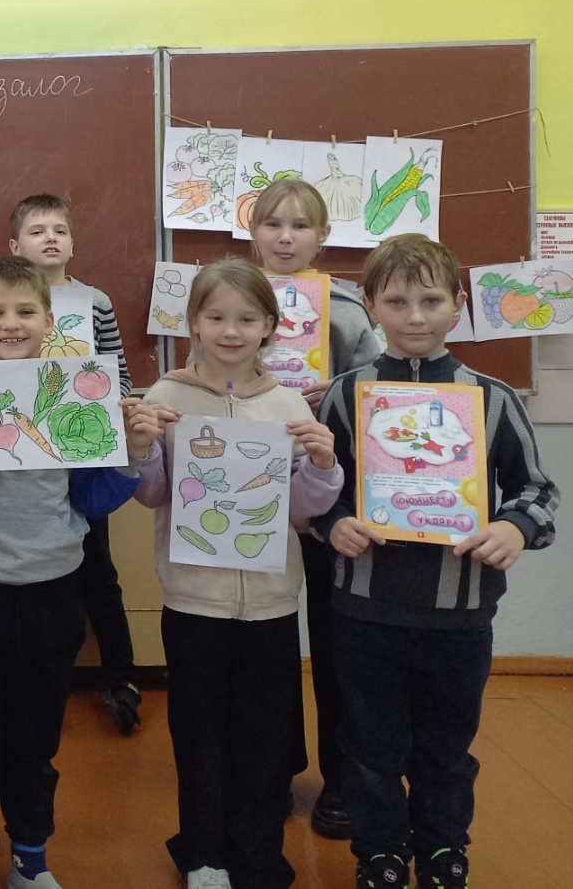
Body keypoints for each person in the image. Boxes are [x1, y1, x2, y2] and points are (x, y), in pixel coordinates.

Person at [312, 234, 558, 889]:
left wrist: (513, 527)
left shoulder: (492, 398)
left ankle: (445, 851)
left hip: (460, 617)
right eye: (396, 302)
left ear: (458, 305)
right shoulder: (343, 396)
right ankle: (380, 855)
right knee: (369, 746)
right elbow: (318, 491)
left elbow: (537, 491)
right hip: (365, 613)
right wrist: (333, 525)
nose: (415, 316)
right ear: (369, 306)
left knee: (447, 749)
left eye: (430, 301)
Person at [126, 259, 342, 889]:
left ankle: (256, 854)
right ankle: (202, 855)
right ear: (192, 321)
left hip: (271, 603)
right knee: (198, 733)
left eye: (247, 319)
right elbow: (152, 494)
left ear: (270, 325)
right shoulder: (164, 399)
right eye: (215, 316)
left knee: (263, 736)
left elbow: (299, 513)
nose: (230, 330)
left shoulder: (287, 406)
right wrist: (139, 448)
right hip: (192, 600)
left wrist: (323, 467)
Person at [0, 256, 140, 889]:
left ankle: (29, 858)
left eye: (25, 311)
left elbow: (91, 500)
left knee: (37, 739)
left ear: (50, 320)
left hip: (52, 591)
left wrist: (131, 453)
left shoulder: (77, 389)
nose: (11, 324)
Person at [244, 176, 382, 838]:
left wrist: (339, 391)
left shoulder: (348, 308)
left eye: (300, 225)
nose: (285, 237)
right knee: (265, 638)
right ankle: (271, 770)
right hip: (252, 489)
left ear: (323, 236)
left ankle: (343, 777)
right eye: (272, 224)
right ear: (253, 233)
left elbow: (382, 398)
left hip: (330, 496)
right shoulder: (230, 298)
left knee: (335, 641)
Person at [9, 193, 143, 737]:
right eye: (37, 230)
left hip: (86, 451)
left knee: (98, 569)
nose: (50, 237)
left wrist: (113, 404)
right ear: (15, 247)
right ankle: (40, 682)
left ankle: (121, 676)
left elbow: (120, 372)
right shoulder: (7, 302)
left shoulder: (95, 301)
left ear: (72, 243)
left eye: (59, 230)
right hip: (25, 457)